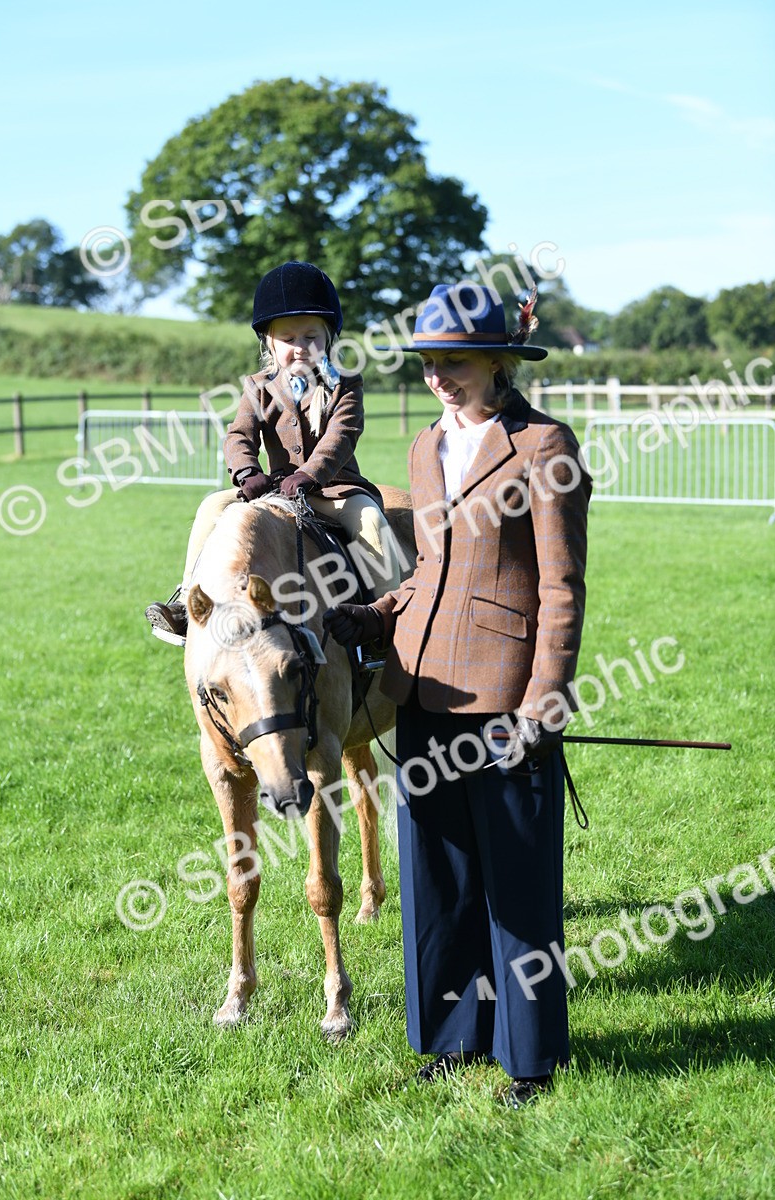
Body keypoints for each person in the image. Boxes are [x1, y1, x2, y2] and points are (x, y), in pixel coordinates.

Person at [324, 282, 591, 1107]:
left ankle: (529, 1058)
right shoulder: (421, 447)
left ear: (502, 361)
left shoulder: (545, 446)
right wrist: (374, 615)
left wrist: (546, 699)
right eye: (430, 362)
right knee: (437, 882)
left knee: (517, 890)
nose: (440, 376)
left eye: (458, 361)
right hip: (421, 689)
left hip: (509, 703)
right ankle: (449, 1038)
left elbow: (562, 587)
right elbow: (431, 572)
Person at [145, 260, 401, 645]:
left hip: (334, 492)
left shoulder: (345, 384)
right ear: (270, 342)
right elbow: (238, 435)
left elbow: (342, 435)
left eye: (311, 337)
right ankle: (186, 602)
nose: (301, 347)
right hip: (273, 489)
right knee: (211, 506)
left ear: (328, 338)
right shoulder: (257, 387)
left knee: (370, 522)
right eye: (289, 339)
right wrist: (247, 473)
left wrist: (311, 474)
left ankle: (384, 622)